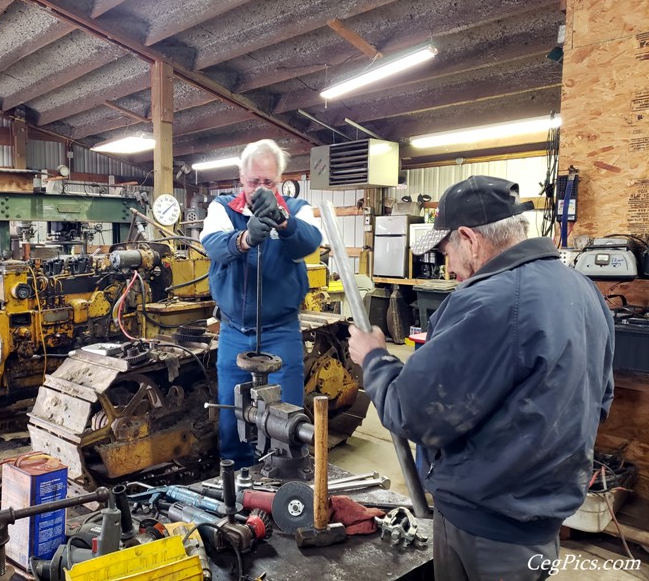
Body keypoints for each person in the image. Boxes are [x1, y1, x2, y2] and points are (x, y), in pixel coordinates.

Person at [347, 175, 614, 580]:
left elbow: (412, 413)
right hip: (542, 517)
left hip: (485, 525)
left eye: (445, 251)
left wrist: (376, 359)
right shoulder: (583, 288)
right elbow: (601, 400)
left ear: (470, 239)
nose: (447, 266)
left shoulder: (487, 302)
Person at [200, 139, 322, 467]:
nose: (260, 189)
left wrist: (282, 221)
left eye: (268, 182)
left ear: (280, 181)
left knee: (287, 419)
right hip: (234, 332)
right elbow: (213, 246)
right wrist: (244, 238)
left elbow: (309, 244)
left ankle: (286, 483)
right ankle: (237, 486)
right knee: (232, 416)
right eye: (254, 182)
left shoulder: (298, 210)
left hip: (281, 331)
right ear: (241, 178)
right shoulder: (222, 208)